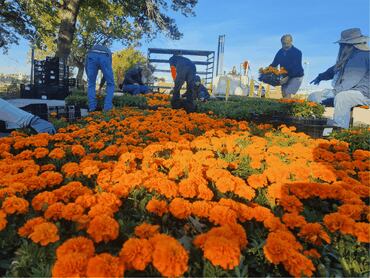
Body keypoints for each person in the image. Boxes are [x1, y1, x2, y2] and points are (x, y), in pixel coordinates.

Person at [308, 28, 370, 130]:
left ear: (349, 45)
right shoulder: (350, 56)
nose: (340, 47)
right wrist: (320, 76)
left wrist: (333, 92)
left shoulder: (361, 56)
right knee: (314, 97)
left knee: (342, 98)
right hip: (349, 91)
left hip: (364, 93)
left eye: (342, 44)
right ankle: (319, 127)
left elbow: (350, 81)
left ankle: (339, 133)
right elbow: (334, 69)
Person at [270, 34, 304, 98]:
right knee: (284, 94)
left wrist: (288, 78)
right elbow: (274, 63)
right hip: (285, 75)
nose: (285, 45)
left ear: (291, 42)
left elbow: (295, 68)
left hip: (296, 76)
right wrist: (267, 70)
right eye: (283, 43)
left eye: (287, 43)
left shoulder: (297, 52)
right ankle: (285, 105)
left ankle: (287, 106)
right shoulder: (280, 52)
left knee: (288, 92)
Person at [85, 44, 115, 112]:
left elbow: (86, 66)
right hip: (105, 55)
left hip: (91, 55)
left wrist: (90, 78)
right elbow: (106, 77)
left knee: (91, 84)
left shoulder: (91, 51)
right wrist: (101, 86)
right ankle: (107, 107)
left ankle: (92, 108)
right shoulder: (108, 51)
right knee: (111, 84)